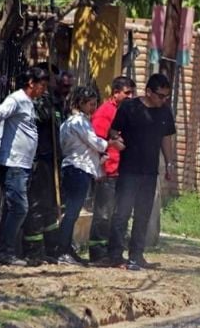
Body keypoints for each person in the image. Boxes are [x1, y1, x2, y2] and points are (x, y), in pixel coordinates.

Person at [0, 67, 49, 266]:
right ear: (31, 83)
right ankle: (4, 251)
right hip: (13, 163)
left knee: (12, 208)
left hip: (23, 164)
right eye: (41, 85)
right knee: (19, 208)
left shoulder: (30, 103)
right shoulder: (16, 99)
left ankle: (5, 251)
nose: (43, 89)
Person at [108, 73, 176, 269]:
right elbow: (114, 131)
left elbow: (166, 138)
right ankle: (115, 255)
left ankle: (136, 255)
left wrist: (169, 163)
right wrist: (116, 141)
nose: (163, 100)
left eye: (166, 97)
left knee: (143, 214)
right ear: (148, 92)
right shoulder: (130, 107)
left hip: (149, 171)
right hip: (129, 169)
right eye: (160, 96)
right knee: (122, 212)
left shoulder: (164, 112)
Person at [57, 87, 125, 265]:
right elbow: (95, 143)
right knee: (71, 212)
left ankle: (66, 249)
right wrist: (110, 143)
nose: (93, 108)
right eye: (90, 104)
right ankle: (62, 250)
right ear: (80, 103)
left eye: (95, 104)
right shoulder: (78, 122)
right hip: (77, 169)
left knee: (73, 211)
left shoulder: (75, 122)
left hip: (79, 169)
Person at [20, 64, 73, 264]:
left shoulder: (58, 103)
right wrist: (48, 106)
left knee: (53, 205)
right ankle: (33, 250)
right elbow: (39, 119)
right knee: (36, 205)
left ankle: (52, 248)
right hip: (40, 160)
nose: (58, 82)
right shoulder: (38, 103)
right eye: (53, 79)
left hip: (54, 160)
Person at [87, 76, 137, 265]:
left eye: (132, 92)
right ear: (115, 93)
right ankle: (98, 253)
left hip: (122, 171)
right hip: (108, 171)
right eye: (127, 93)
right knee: (104, 214)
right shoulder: (105, 112)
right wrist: (101, 167)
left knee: (120, 214)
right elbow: (97, 142)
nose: (130, 96)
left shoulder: (126, 111)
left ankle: (114, 253)